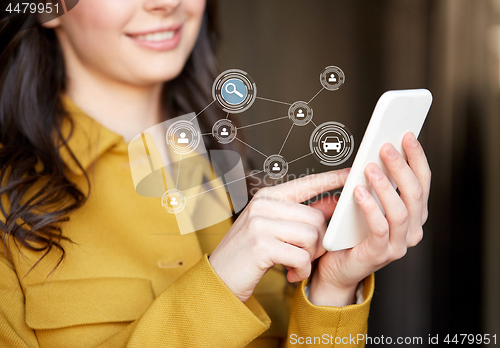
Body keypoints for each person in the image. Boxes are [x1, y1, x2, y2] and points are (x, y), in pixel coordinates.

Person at [0, 0, 431, 347]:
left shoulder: (229, 177)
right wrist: (219, 285)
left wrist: (332, 289)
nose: (167, 4)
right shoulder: (9, 201)